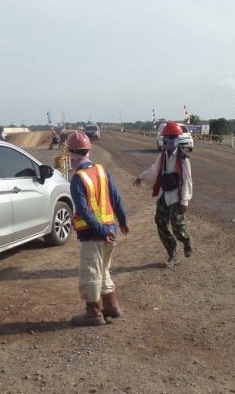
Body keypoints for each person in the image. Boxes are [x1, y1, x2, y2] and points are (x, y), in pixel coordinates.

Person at [67, 130, 130, 326]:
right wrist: (123, 221)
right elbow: (116, 198)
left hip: (94, 234)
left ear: (72, 153)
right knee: (103, 271)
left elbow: (84, 211)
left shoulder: (79, 178)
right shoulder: (102, 170)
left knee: (91, 273)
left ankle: (93, 314)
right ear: (88, 150)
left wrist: (102, 231)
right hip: (110, 231)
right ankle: (112, 308)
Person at [133, 121, 194, 267]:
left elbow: (187, 180)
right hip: (164, 194)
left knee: (177, 226)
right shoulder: (163, 156)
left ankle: (186, 240)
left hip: (176, 195)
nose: (172, 140)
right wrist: (141, 176)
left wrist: (185, 201)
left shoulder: (183, 159)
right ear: (164, 139)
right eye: (169, 137)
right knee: (160, 223)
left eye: (174, 137)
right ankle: (172, 254)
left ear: (178, 139)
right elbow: (154, 171)